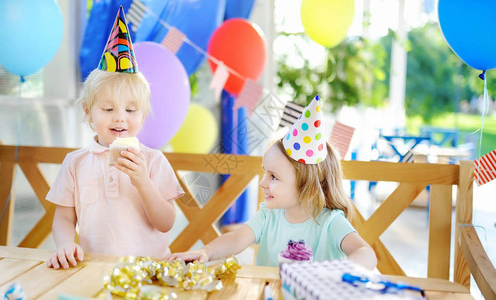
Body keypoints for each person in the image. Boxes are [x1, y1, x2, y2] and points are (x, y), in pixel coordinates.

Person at [169, 96, 377, 270]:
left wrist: (336, 272)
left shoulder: (330, 222)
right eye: (265, 173)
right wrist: (205, 251)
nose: (262, 183)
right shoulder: (269, 216)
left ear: (309, 186)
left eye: (274, 177)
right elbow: (235, 240)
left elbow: (366, 254)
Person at [46, 7, 183, 269]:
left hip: (149, 271)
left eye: (130, 110)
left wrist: (142, 181)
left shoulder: (154, 161)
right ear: (88, 112)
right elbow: (63, 218)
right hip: (95, 270)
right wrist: (65, 244)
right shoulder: (75, 163)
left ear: (142, 117)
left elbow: (165, 222)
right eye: (108, 109)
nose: (120, 118)